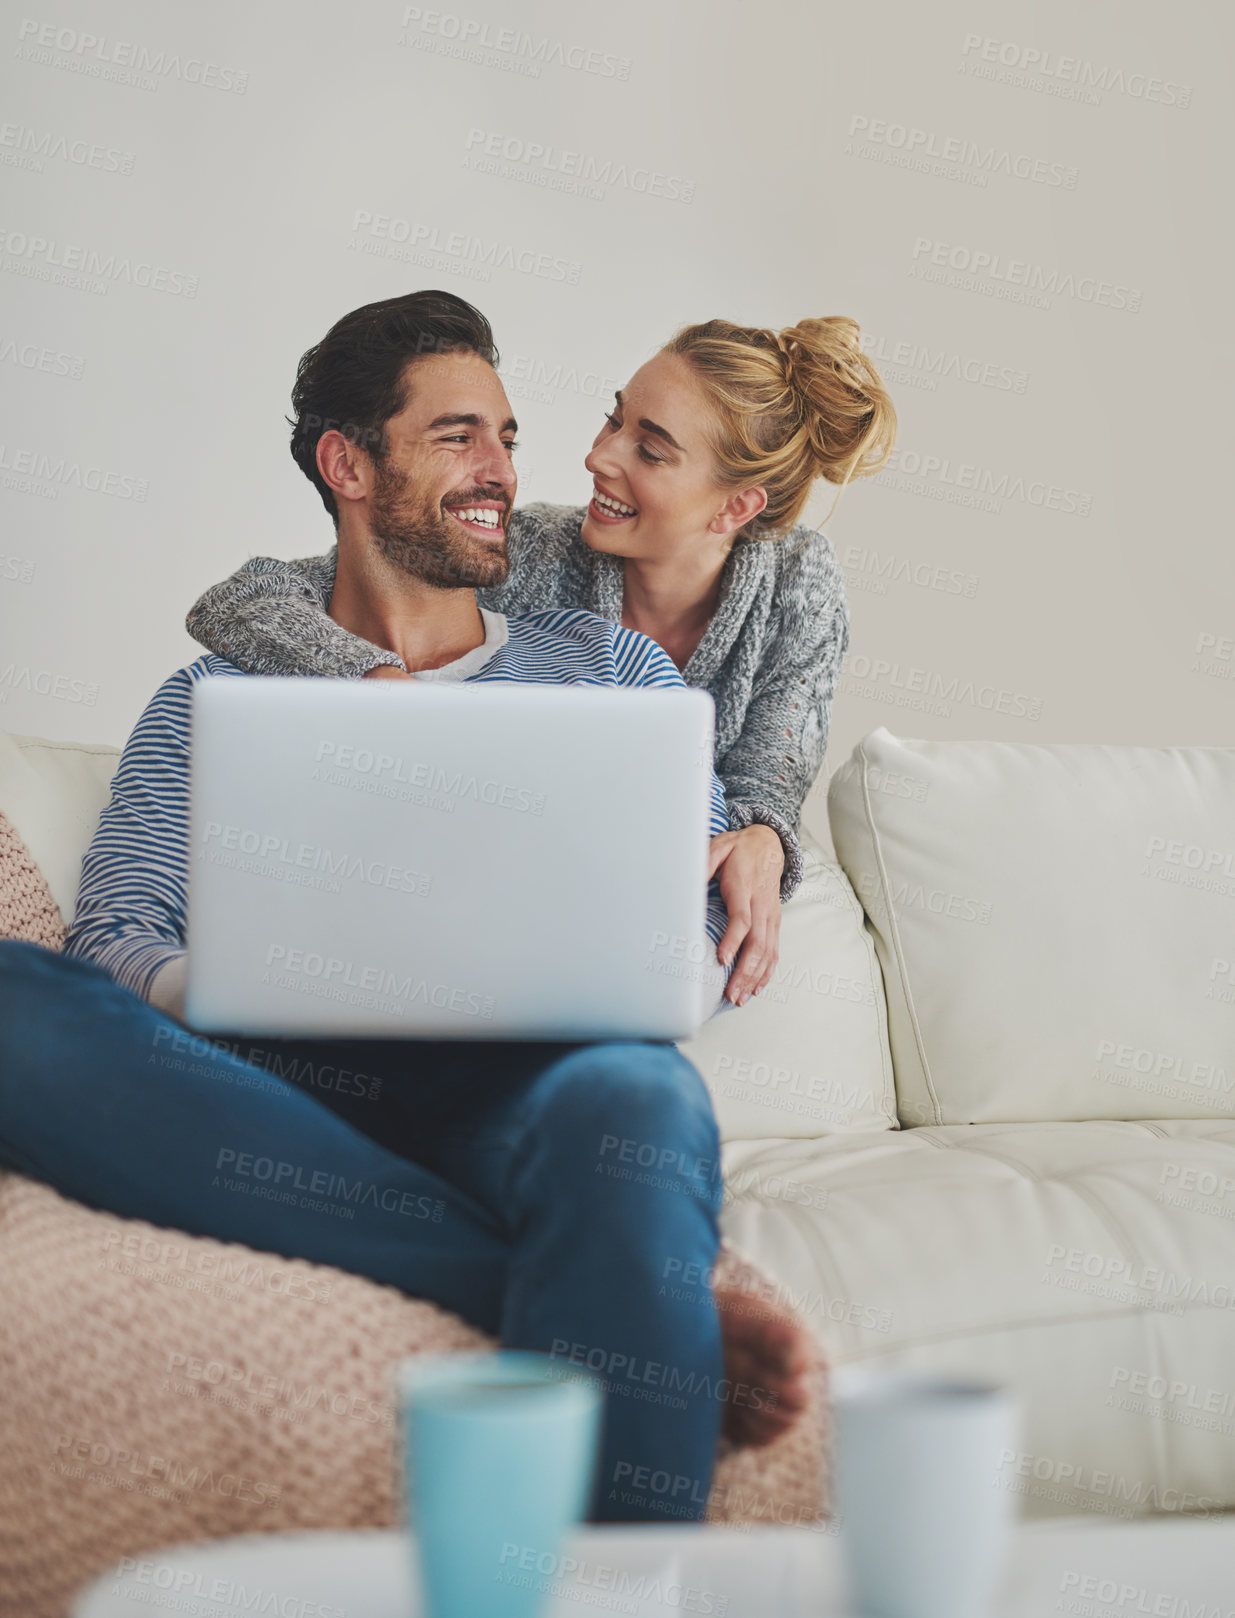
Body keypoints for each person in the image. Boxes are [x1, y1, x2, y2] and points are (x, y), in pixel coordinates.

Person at [0, 290, 811, 1525]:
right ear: (348, 464)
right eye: (455, 436)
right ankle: (613, 1318)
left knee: (636, 1094)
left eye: (506, 434)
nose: (503, 473)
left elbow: (684, 934)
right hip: (268, 1081)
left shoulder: (610, 672)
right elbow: (113, 934)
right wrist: (218, 992)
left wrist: (725, 874)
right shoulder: (211, 694)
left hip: (525, 1085)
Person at [187, 298, 897, 1007]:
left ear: (735, 508)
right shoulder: (534, 553)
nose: (598, 456)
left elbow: (769, 771)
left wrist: (764, 836)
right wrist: (376, 683)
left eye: (648, 450)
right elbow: (242, 599)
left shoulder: (798, 582)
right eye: (613, 419)